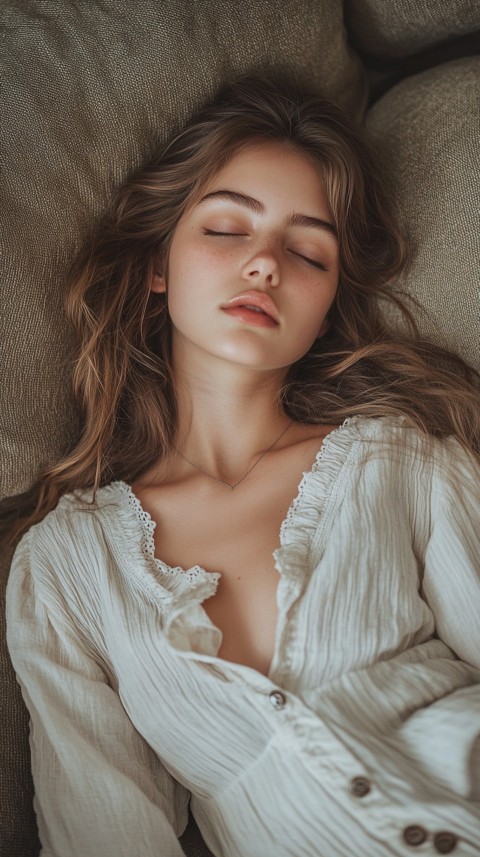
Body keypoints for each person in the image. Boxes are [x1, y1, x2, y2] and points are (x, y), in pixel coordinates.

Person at [4, 72, 480, 857]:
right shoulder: (68, 566)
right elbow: (102, 827)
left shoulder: (401, 457)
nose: (265, 264)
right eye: (228, 229)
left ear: (327, 302)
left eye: (306, 251)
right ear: (158, 265)